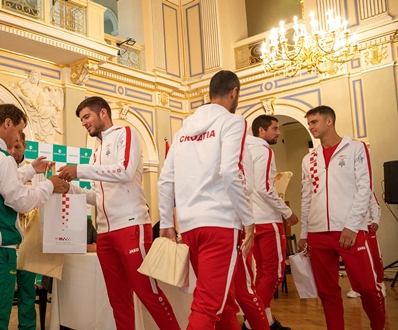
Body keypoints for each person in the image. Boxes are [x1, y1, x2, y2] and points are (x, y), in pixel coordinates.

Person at [58, 96, 180, 330]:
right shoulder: (95, 152)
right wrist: (70, 188)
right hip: (105, 234)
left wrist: (80, 170)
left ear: (102, 113)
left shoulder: (127, 133)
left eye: (86, 117)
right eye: (81, 119)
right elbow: (98, 196)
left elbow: (124, 171)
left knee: (148, 293)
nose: (84, 123)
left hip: (131, 226)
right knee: (118, 300)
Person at [158, 70, 255, 329]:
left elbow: (165, 180)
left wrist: (167, 223)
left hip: (190, 227)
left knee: (223, 304)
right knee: (208, 305)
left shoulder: (182, 132)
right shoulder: (233, 122)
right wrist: (249, 220)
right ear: (234, 92)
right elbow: (230, 171)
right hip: (221, 224)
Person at [0, 104, 68, 329]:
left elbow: (0, 181)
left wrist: (31, 170)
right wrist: (49, 185)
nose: (18, 136)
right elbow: (21, 200)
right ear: (7, 123)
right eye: (19, 130)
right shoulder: (2, 158)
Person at [298, 105, 385, 329]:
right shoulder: (309, 159)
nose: (310, 127)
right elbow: (306, 197)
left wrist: (352, 226)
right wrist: (304, 233)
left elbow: (364, 188)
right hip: (318, 234)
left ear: (329, 121)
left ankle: (378, 325)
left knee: (366, 286)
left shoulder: (356, 148)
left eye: (314, 122)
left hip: (349, 231)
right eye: (309, 123)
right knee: (327, 291)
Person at [243, 115, 298, 330]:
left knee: (262, 274)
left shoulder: (242, 150)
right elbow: (264, 188)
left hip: (250, 220)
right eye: (274, 128)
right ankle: (252, 322)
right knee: (274, 273)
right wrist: (286, 211)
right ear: (261, 131)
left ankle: (266, 321)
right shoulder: (264, 150)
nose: (278, 132)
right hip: (268, 219)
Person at [8, 131, 52, 330]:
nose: (13, 150)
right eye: (10, 147)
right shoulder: (1, 167)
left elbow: (43, 203)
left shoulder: (37, 172)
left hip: (27, 241)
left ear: (24, 146)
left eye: (17, 146)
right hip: (6, 243)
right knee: (3, 295)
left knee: (27, 293)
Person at [347, 193, 385, 298]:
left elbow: (375, 206)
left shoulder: (367, 188)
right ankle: (356, 287)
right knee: (353, 259)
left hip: (368, 227)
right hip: (351, 228)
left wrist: (375, 221)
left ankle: (380, 282)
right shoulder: (345, 187)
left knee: (375, 256)